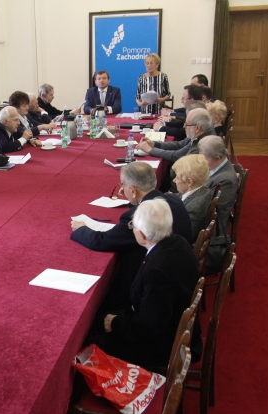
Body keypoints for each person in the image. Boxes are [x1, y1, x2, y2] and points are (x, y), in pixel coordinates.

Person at [86, 199, 202, 370]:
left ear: (141, 234)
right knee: (100, 318)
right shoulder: (178, 242)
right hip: (172, 324)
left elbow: (148, 328)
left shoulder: (158, 271)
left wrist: (115, 323)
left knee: (88, 344)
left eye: (132, 226)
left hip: (164, 346)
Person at [71, 162, 191, 313]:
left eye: (123, 185)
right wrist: (134, 199)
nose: (121, 189)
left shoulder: (138, 217)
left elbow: (102, 241)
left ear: (133, 190)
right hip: (180, 272)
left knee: (101, 308)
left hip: (151, 284)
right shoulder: (172, 199)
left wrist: (81, 229)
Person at [199, 136, 238, 272]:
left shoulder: (225, 180)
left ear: (218, 158)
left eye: (204, 158)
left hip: (211, 238)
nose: (201, 161)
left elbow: (209, 212)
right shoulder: (216, 167)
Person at [137, 108, 215, 163]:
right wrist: (154, 144)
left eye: (187, 124)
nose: (184, 126)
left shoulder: (202, 144)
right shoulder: (197, 134)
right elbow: (178, 145)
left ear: (197, 128)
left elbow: (175, 156)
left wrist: (150, 150)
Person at [171, 154, 213, 240]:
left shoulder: (192, 208)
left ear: (189, 182)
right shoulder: (203, 189)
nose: (174, 180)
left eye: (177, 177)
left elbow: (181, 237)